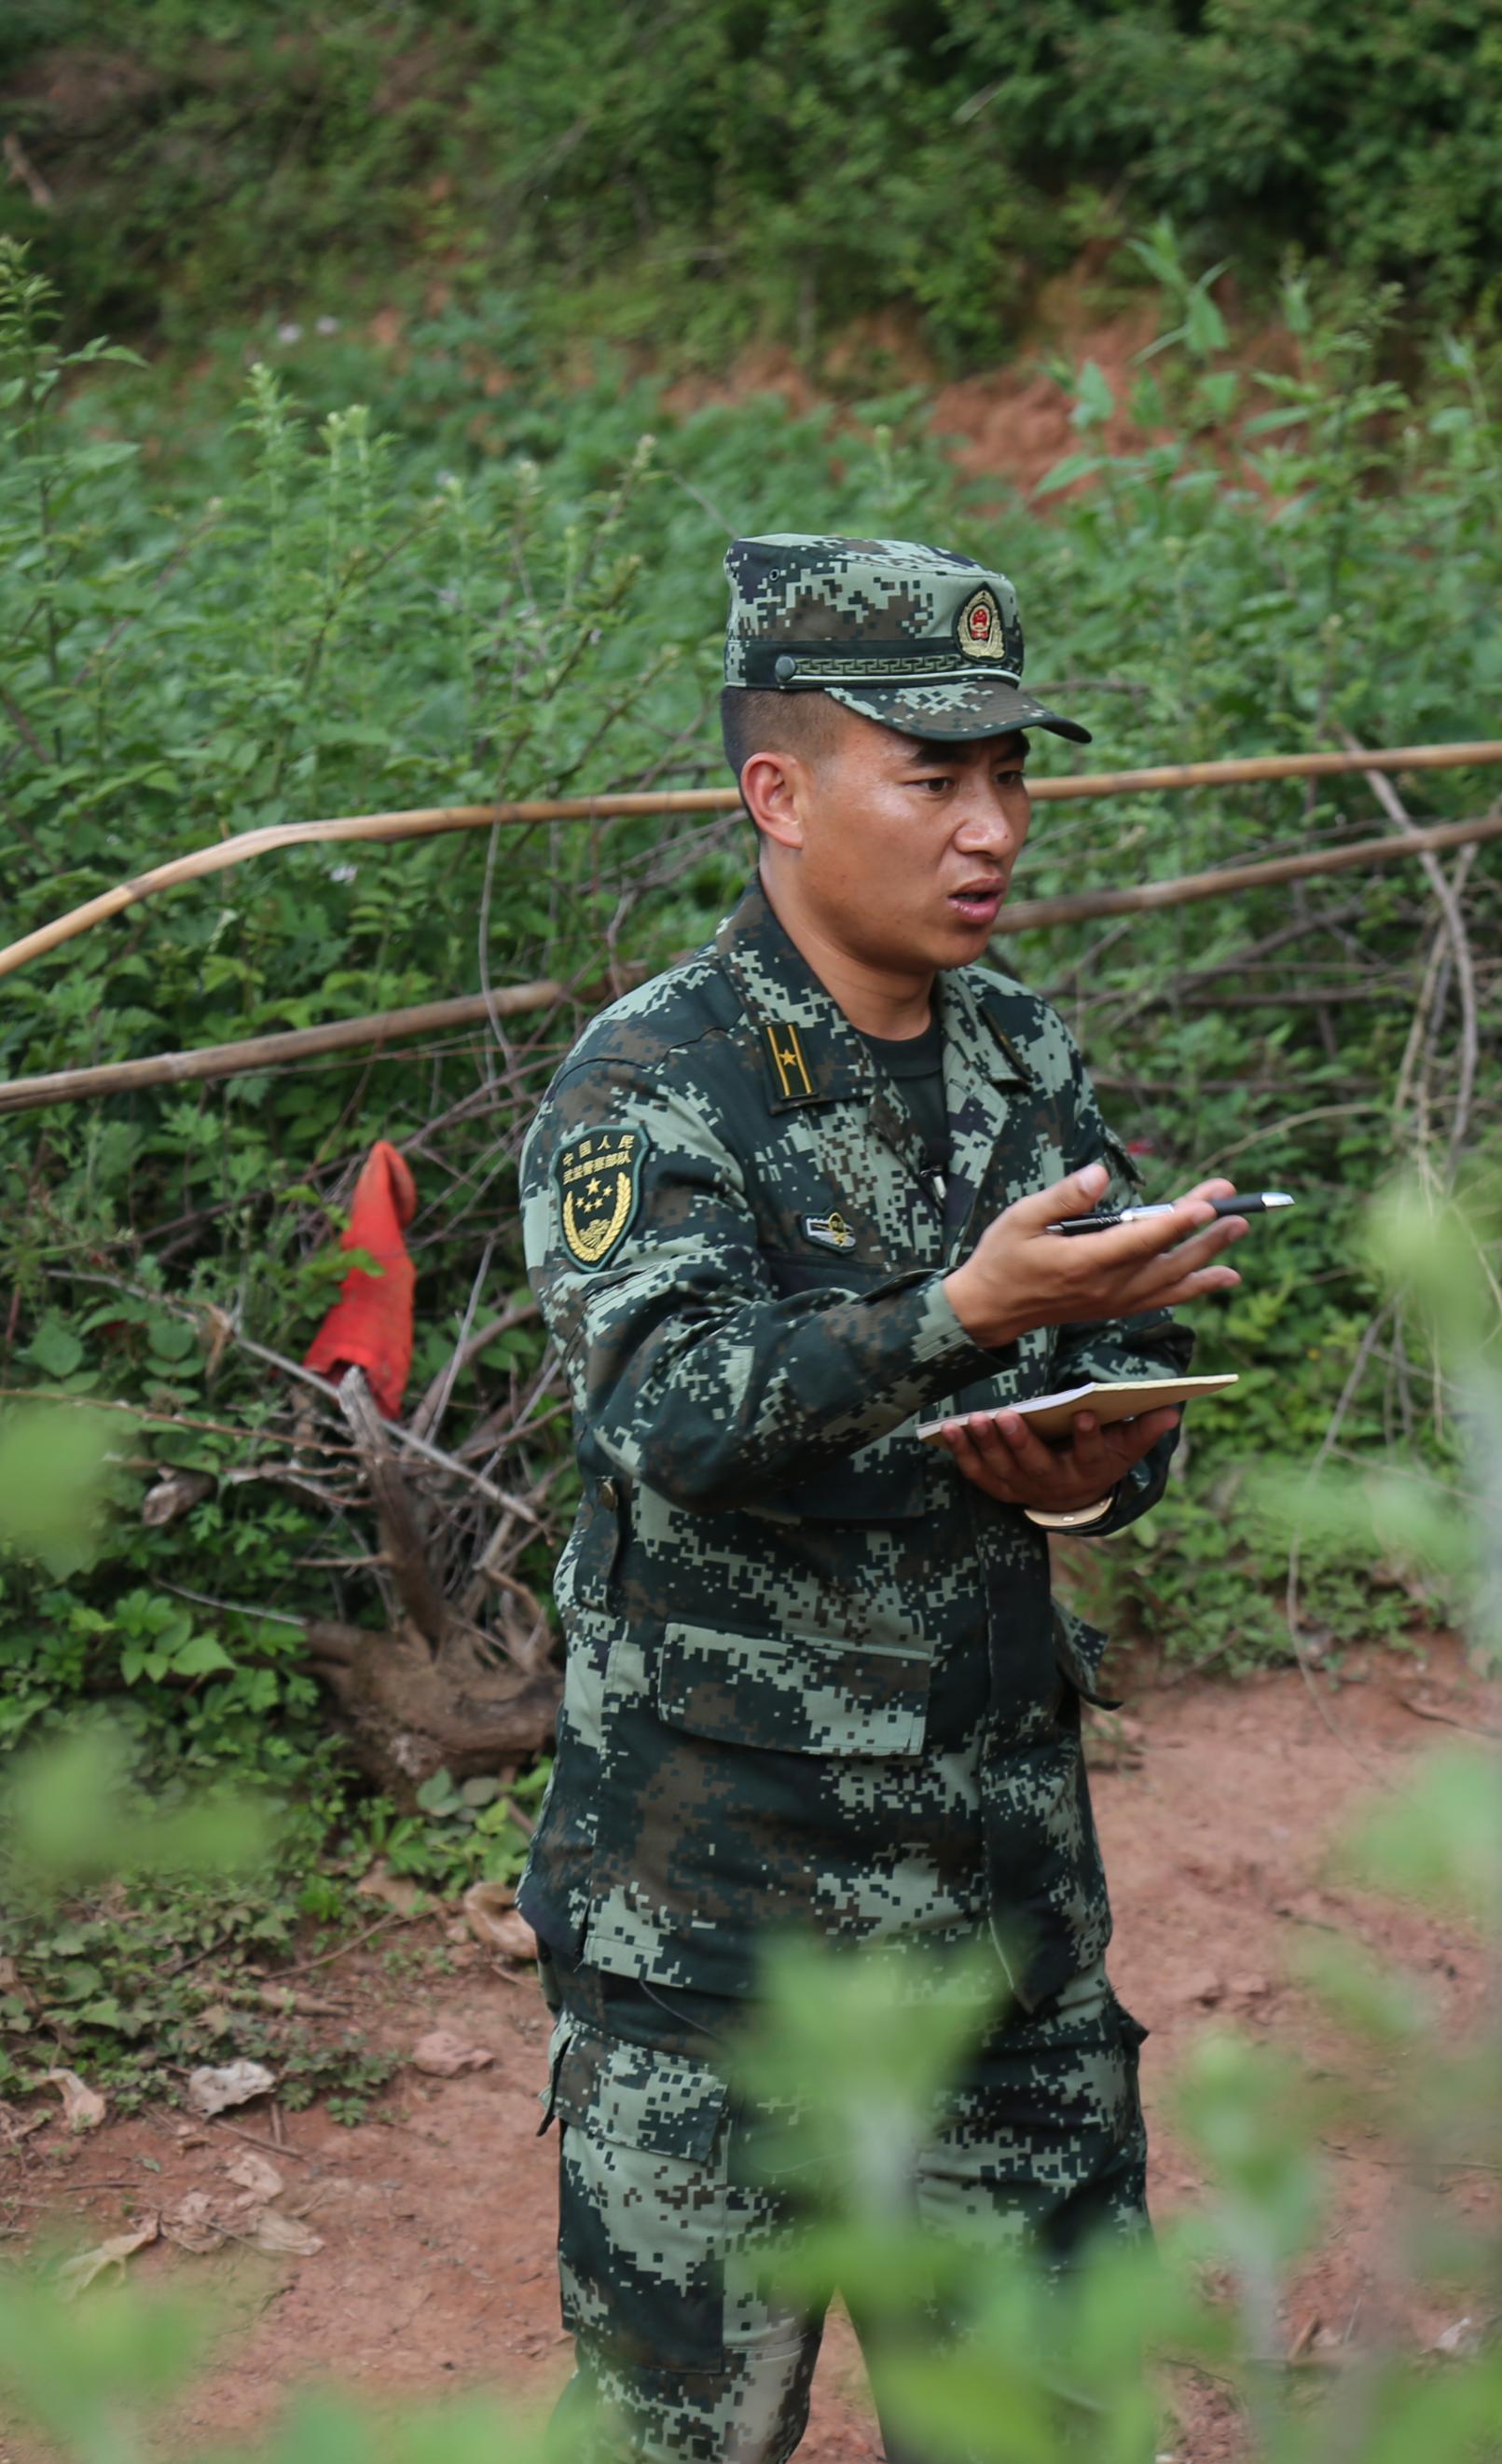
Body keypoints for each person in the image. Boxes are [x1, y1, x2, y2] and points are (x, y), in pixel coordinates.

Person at [515, 534, 1249, 2464]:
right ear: (777, 791)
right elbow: (663, 1409)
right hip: (722, 1939)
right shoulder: (650, 1081)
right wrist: (953, 1311)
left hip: (1000, 1913)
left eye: (1010, 774)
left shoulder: (1016, 1050)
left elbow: (1064, 1388)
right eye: (933, 778)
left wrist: (1097, 1458)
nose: (989, 825)